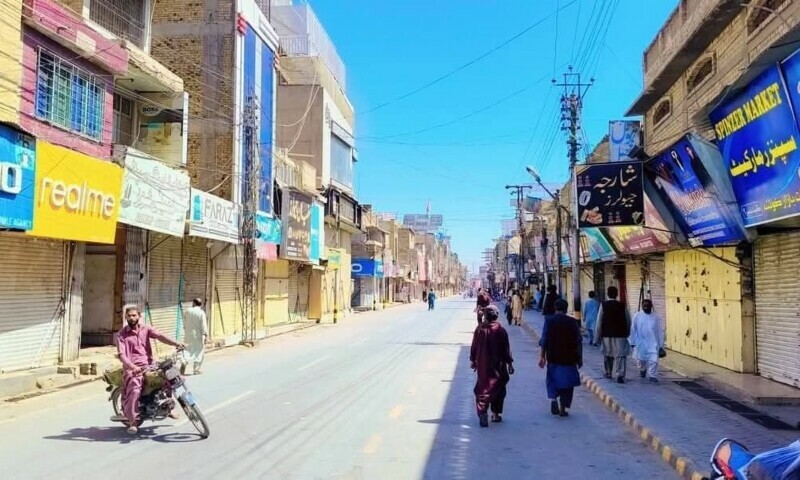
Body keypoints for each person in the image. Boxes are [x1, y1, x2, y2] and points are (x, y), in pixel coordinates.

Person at [115, 305, 185, 435]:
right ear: (125, 317)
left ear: (139, 316)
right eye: (129, 316)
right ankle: (133, 421)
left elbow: (160, 336)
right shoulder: (121, 335)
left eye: (134, 315)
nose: (131, 318)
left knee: (168, 377)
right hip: (133, 368)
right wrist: (133, 367)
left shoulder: (146, 329)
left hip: (149, 364)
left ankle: (168, 408)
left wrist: (176, 343)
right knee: (135, 389)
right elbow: (122, 355)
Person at [470, 305, 514, 427]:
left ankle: (483, 413)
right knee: (498, 388)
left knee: (482, 389)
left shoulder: (480, 330)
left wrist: (473, 360)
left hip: (483, 366)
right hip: (498, 367)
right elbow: (506, 350)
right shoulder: (501, 331)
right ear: (496, 316)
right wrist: (510, 363)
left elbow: (474, 347)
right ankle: (495, 414)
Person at [538, 299, 582, 417]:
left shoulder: (549, 320)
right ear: (566, 309)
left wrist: (542, 356)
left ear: (555, 308)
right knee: (568, 384)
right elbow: (578, 341)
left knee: (552, 380)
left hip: (553, 357)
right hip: (569, 358)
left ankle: (553, 399)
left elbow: (544, 340)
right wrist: (580, 358)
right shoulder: (572, 322)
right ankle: (563, 408)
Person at [593, 286, 631, 384]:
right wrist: (627, 332)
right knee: (620, 355)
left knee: (608, 354)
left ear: (607, 294)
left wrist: (596, 338)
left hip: (607, 334)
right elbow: (628, 320)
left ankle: (608, 372)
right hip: (620, 334)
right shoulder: (622, 305)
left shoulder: (603, 305)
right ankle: (620, 374)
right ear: (617, 294)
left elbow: (599, 322)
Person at [629, 299, 665, 383]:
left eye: (648, 306)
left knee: (654, 360)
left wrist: (661, 345)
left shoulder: (656, 317)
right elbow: (633, 329)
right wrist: (632, 341)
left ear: (651, 306)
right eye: (644, 305)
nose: (646, 307)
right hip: (641, 343)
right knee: (641, 359)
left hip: (653, 343)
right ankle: (642, 369)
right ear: (642, 306)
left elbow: (660, 331)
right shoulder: (637, 316)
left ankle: (652, 375)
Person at [182, 298, 208, 375]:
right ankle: (196, 369)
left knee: (187, 350)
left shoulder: (187, 311)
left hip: (188, 335)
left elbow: (184, 323)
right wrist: (205, 335)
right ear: (201, 304)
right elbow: (204, 325)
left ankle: (184, 361)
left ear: (193, 303)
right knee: (199, 351)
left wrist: (186, 329)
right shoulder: (201, 313)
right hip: (197, 335)